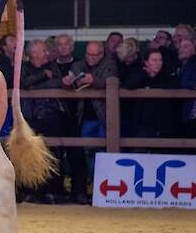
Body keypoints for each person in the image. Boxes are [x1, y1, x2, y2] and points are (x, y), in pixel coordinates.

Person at [62, 41, 117, 204]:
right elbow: (74, 82)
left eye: (94, 55)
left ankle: (104, 189)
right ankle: (91, 186)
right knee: (87, 153)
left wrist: (93, 80)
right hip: (85, 117)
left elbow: (110, 81)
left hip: (105, 116)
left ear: (102, 54)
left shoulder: (110, 64)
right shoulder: (79, 65)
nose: (91, 58)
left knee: (105, 152)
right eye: (88, 54)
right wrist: (68, 82)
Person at [19, 40, 65, 204]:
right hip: (30, 117)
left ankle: (49, 191)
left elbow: (57, 83)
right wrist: (43, 75)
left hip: (50, 116)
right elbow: (24, 83)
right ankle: (29, 191)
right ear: (34, 53)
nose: (47, 53)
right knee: (28, 154)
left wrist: (36, 83)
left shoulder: (53, 66)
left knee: (50, 154)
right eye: (43, 50)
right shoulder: (24, 67)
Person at [123, 48, 178, 142]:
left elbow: (173, 85)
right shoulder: (139, 75)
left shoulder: (167, 77)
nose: (158, 63)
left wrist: (151, 88)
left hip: (161, 124)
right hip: (142, 125)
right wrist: (145, 73)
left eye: (160, 60)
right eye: (154, 60)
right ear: (146, 62)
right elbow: (128, 85)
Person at [177, 36, 196, 139]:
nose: (182, 49)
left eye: (186, 46)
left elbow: (189, 83)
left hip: (192, 113)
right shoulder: (181, 64)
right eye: (180, 47)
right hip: (185, 113)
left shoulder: (193, 63)